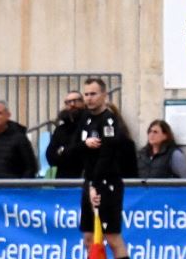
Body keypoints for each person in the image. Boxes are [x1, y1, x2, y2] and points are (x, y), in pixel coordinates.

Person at [69, 78, 137, 259]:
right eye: (87, 94)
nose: (89, 98)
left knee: (112, 237)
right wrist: (85, 144)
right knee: (88, 238)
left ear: (104, 95)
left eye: (94, 94)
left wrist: (95, 186)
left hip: (107, 184)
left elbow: (107, 155)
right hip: (89, 181)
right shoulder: (84, 118)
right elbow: (72, 148)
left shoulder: (109, 121)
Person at [46, 90, 86, 178]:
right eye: (68, 102)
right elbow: (50, 157)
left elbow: (84, 155)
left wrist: (62, 150)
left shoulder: (90, 125)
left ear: (83, 103)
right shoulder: (60, 130)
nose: (72, 104)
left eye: (76, 100)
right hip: (63, 179)